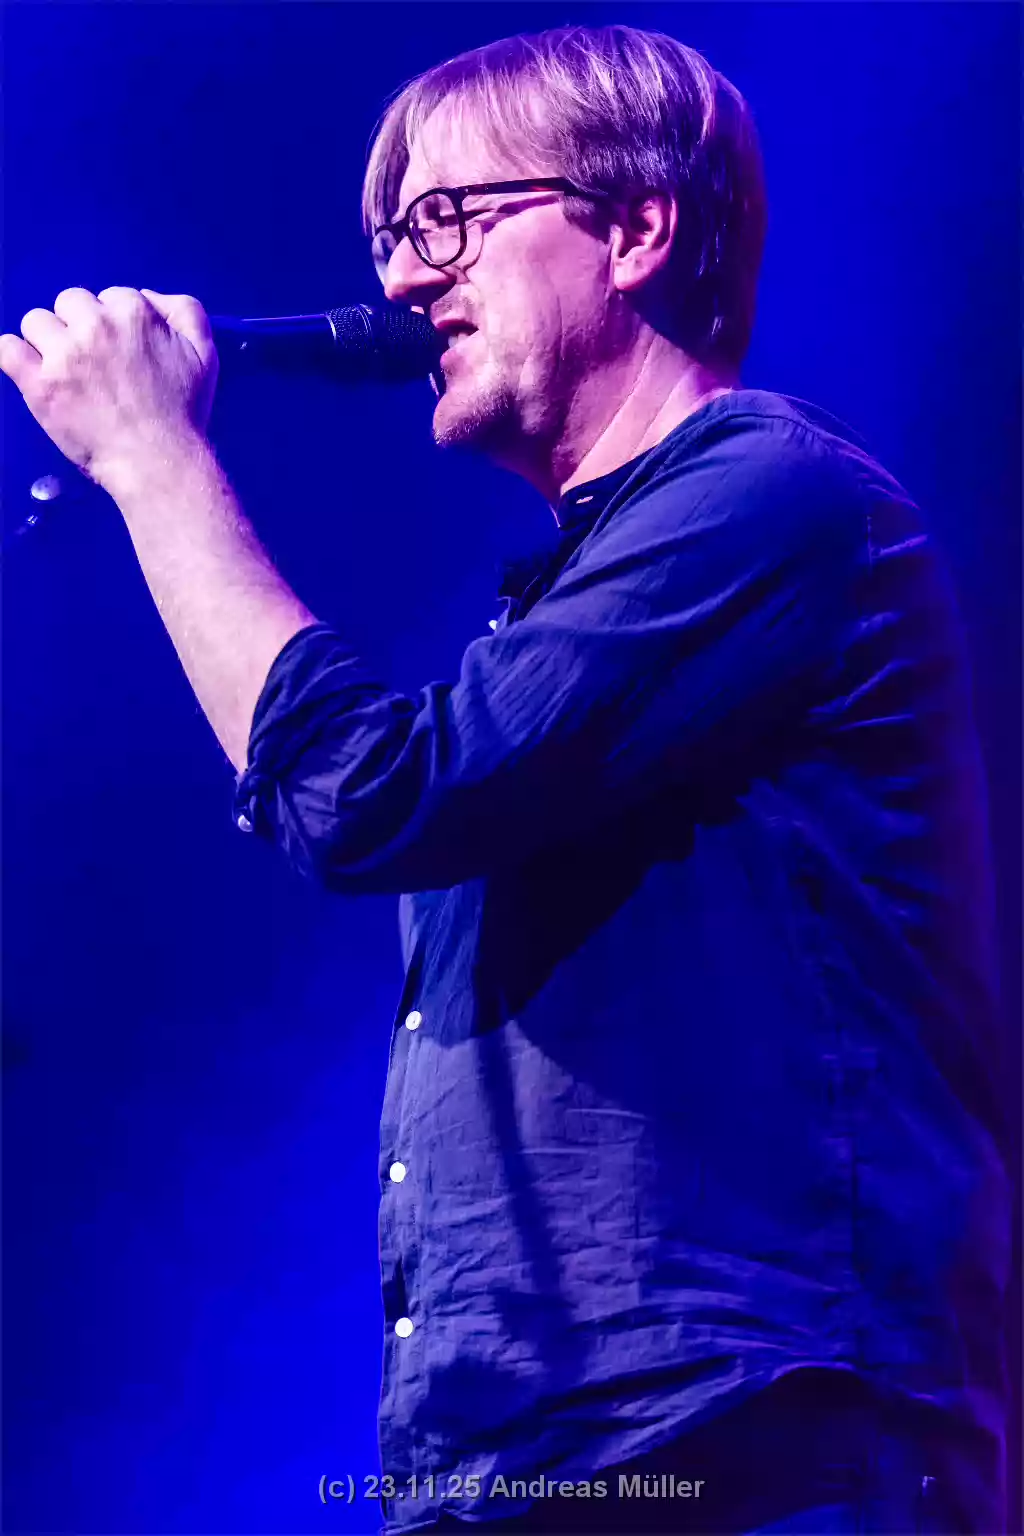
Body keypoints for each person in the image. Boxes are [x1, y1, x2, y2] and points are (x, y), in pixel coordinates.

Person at [0, 22, 1010, 1536]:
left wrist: (157, 462)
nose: (407, 282)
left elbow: (364, 795)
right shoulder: (571, 603)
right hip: (533, 1463)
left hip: (756, 1442)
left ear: (635, 231)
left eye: (448, 221)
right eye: (393, 242)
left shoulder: (775, 497)